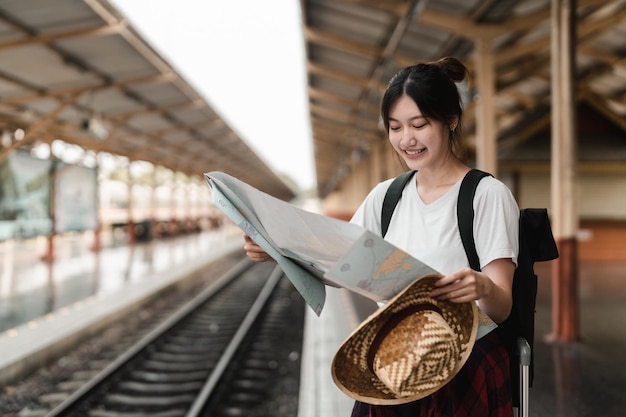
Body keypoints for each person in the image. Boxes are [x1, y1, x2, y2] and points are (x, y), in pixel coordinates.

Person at [244, 56, 519, 417]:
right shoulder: (386, 197)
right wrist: (279, 250)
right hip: (397, 360)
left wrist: (482, 287)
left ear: (451, 119)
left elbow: (503, 306)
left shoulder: (485, 195)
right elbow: (338, 267)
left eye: (419, 124)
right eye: (395, 127)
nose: (407, 140)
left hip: (465, 362)